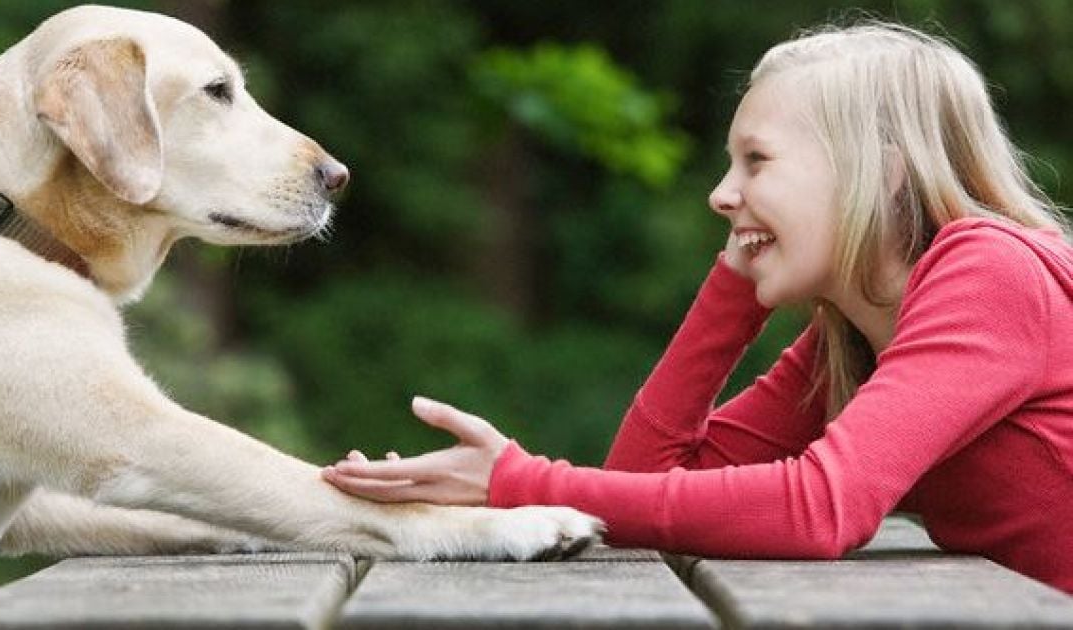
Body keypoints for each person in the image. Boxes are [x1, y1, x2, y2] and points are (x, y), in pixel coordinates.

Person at [321, 21, 1073, 595]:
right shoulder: (852, 336)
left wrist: (517, 483)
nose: (721, 193)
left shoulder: (991, 274)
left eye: (757, 161)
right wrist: (734, 288)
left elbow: (820, 508)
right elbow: (645, 481)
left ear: (881, 170)